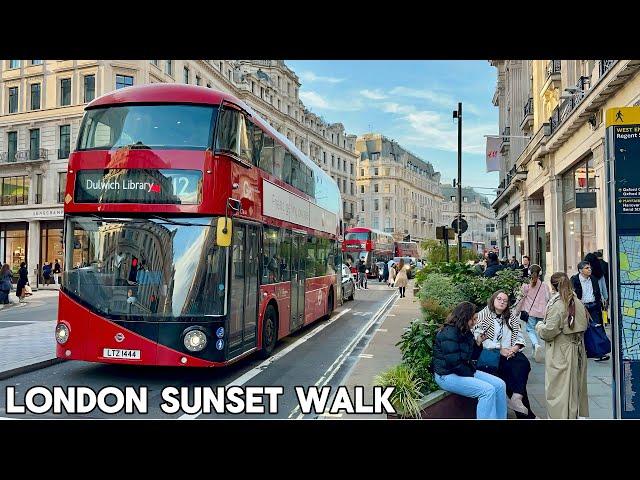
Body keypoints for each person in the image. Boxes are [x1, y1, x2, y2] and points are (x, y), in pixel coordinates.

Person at [432, 301, 507, 419]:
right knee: (487, 391)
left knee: (500, 385)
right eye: (473, 318)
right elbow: (454, 364)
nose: (475, 321)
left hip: (463, 370)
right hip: (446, 375)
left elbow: (471, 357)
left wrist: (478, 343)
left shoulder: (465, 331)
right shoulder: (449, 334)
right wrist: (471, 374)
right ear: (465, 317)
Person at [474, 290, 537, 418]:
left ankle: (516, 398)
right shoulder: (483, 315)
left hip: (509, 352)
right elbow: (479, 339)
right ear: (493, 300)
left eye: (505, 300)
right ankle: (527, 416)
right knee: (512, 377)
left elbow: (519, 334)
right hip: (492, 355)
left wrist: (515, 348)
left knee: (523, 363)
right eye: (499, 299)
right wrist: (499, 348)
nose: (502, 302)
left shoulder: (510, 316)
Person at [535, 272, 589, 419]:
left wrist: (539, 326)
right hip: (576, 348)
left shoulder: (559, 304)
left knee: (559, 393)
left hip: (562, 351)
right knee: (573, 392)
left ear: (553, 286)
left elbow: (548, 331)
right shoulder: (576, 300)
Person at [570, 260, 609, 361]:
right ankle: (585, 351)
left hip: (593, 306)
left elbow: (597, 292)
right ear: (580, 270)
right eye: (587, 268)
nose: (589, 270)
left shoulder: (593, 279)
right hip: (581, 307)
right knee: (583, 329)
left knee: (597, 328)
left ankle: (600, 352)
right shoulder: (574, 279)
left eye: (590, 268)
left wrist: (600, 302)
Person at [515, 264, 549, 363]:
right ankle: (535, 351)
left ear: (529, 273)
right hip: (542, 312)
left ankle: (536, 344)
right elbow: (548, 299)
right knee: (538, 330)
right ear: (540, 274)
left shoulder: (526, 287)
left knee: (530, 330)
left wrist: (517, 311)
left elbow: (520, 300)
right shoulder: (545, 286)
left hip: (530, 312)